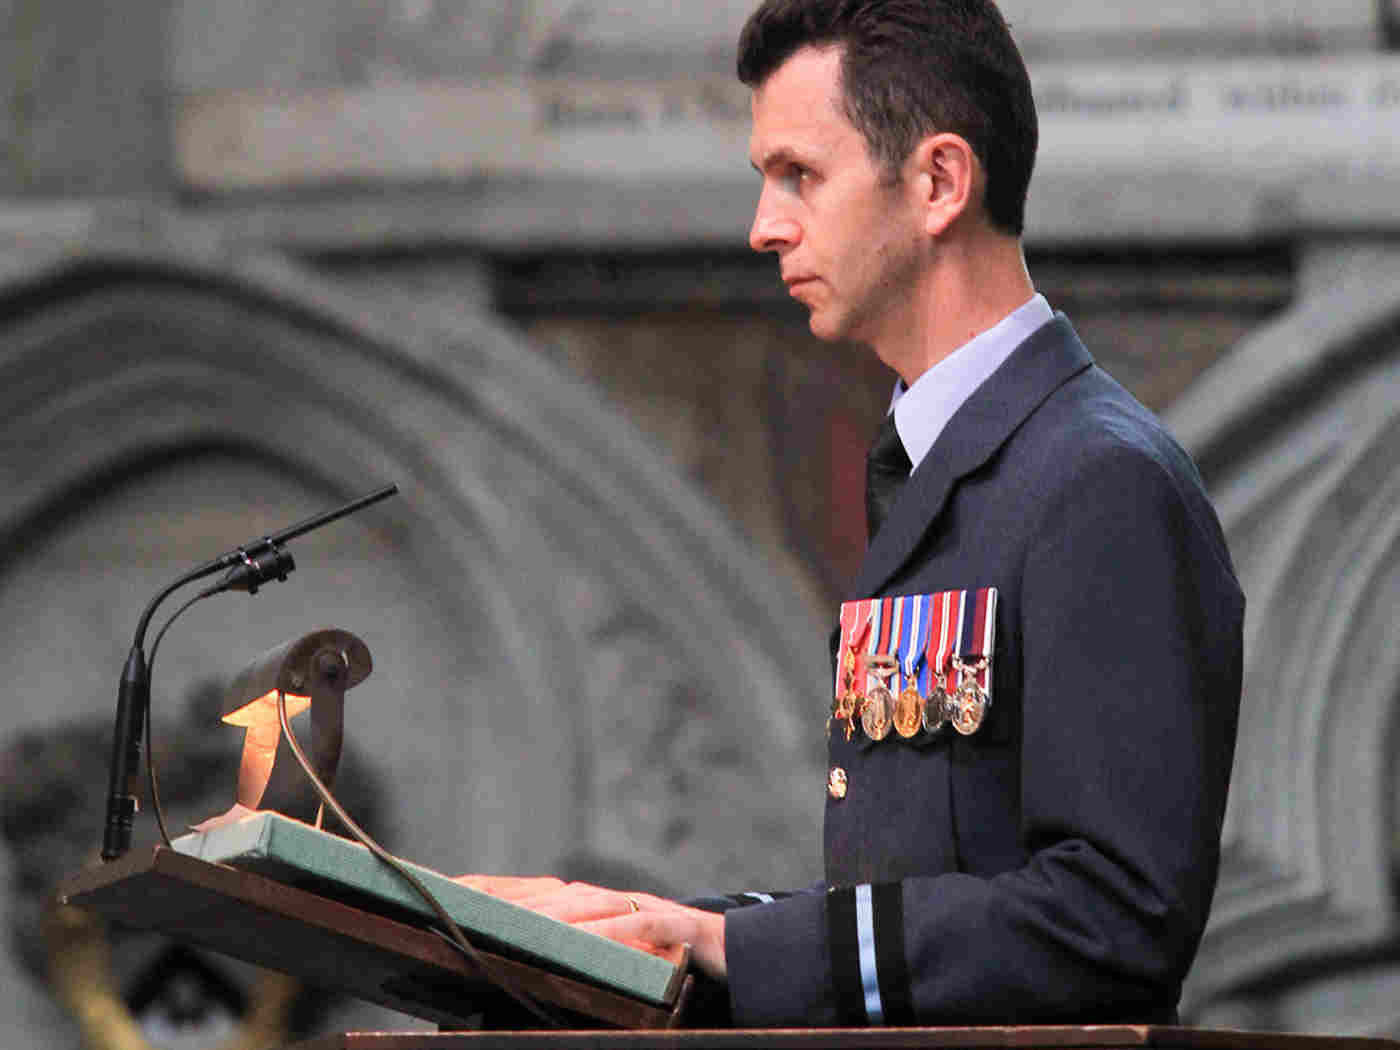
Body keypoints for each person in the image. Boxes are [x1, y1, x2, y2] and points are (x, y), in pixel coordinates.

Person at [457, 0, 1244, 1027]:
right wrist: (643, 928)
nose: (763, 226)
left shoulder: (1095, 482)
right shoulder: (943, 465)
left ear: (937, 183)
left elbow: (1112, 917)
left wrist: (728, 943)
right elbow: (922, 896)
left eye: (799, 175)